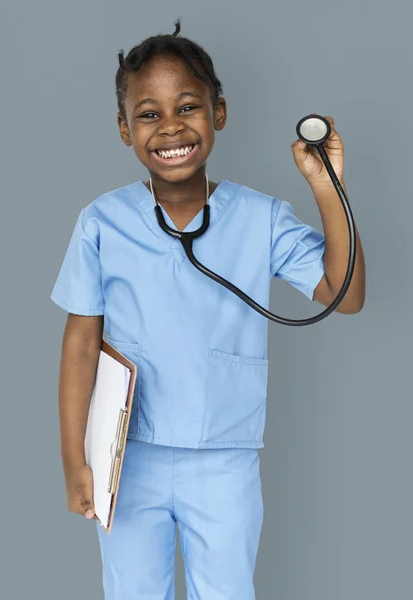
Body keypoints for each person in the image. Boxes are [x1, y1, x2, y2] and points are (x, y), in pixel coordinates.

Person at [50, 18, 365, 600]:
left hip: (224, 459)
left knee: (225, 591)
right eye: (149, 114)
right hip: (126, 458)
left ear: (218, 113)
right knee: (132, 592)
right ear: (124, 129)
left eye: (188, 107)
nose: (171, 127)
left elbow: (343, 295)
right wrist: (75, 460)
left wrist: (327, 186)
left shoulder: (259, 217)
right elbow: (79, 343)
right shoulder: (102, 222)